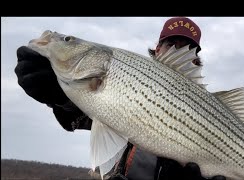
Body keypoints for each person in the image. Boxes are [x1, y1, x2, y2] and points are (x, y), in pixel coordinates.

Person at [14, 17, 226, 180]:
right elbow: (84, 115)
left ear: (195, 58)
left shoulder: (213, 110)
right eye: (171, 43)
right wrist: (59, 97)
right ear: (158, 48)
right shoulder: (127, 79)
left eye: (186, 47)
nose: (177, 49)